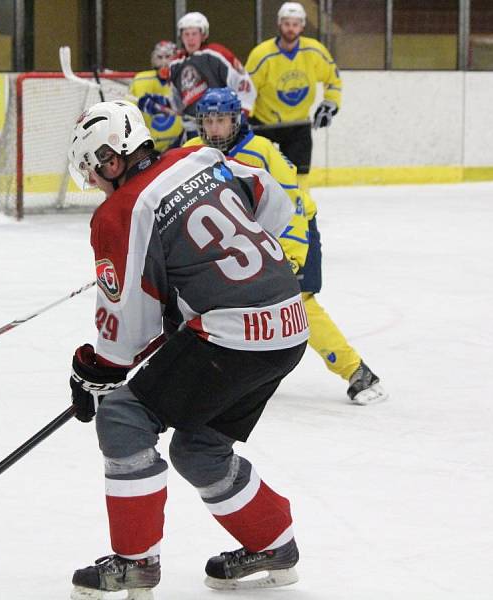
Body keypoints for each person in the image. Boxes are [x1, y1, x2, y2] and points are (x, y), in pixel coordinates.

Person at [66, 100, 308, 599]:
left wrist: (95, 370)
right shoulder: (198, 157)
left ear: (113, 160)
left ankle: (134, 563)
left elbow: (128, 329)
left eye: (93, 170)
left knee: (124, 419)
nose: (94, 182)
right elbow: (273, 202)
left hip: (232, 335)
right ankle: (273, 546)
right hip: (287, 326)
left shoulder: (121, 210)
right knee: (200, 448)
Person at [185, 88, 388, 406]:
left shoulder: (262, 150)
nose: (214, 129)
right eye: (207, 121)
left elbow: (292, 203)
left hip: (291, 232)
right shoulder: (191, 152)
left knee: (299, 304)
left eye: (221, 120)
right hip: (241, 240)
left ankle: (356, 371)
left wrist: (292, 255)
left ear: (236, 120)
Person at [245, 2, 342, 191]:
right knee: (256, 172)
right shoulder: (262, 54)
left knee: (299, 177)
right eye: (287, 23)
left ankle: (301, 213)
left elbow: (333, 79)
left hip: (298, 125)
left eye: (295, 24)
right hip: (264, 124)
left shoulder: (314, 51)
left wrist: (330, 103)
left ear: (302, 26)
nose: (291, 28)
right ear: (279, 24)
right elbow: (247, 89)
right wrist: (244, 116)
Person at [168, 11, 256, 141]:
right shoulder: (175, 64)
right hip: (193, 130)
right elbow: (177, 105)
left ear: (203, 35)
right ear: (181, 37)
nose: (190, 38)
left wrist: (239, 117)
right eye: (186, 34)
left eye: (194, 34)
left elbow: (245, 85)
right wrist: (160, 105)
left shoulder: (217, 54)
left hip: (222, 127)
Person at [127, 40, 184, 152]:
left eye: (168, 57)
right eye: (160, 57)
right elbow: (129, 113)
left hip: (181, 145)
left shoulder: (185, 80)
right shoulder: (141, 80)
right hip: (150, 148)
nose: (164, 62)